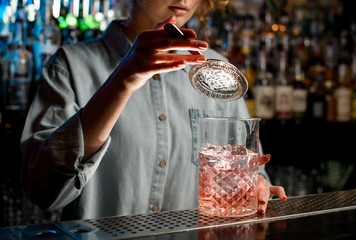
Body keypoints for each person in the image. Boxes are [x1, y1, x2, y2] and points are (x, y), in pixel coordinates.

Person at [20, 0, 287, 220]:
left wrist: (257, 187)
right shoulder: (70, 65)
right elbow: (44, 191)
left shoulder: (218, 71)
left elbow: (252, 171)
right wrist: (121, 81)